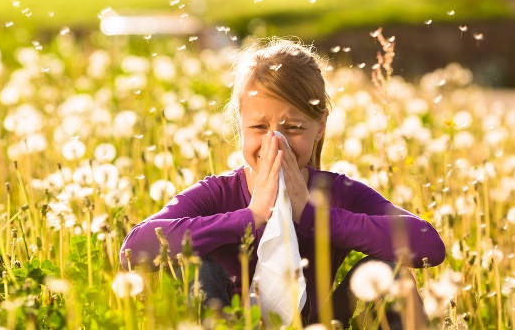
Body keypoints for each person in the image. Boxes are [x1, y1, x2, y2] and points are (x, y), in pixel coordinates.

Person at [120, 38, 446, 327]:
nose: (275, 142)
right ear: (240, 125)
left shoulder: (335, 192)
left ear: (320, 127)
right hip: (230, 322)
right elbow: (134, 250)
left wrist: (314, 215)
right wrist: (251, 217)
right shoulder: (218, 192)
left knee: (393, 273)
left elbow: (428, 245)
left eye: (293, 129)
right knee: (199, 267)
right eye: (259, 127)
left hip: (321, 324)